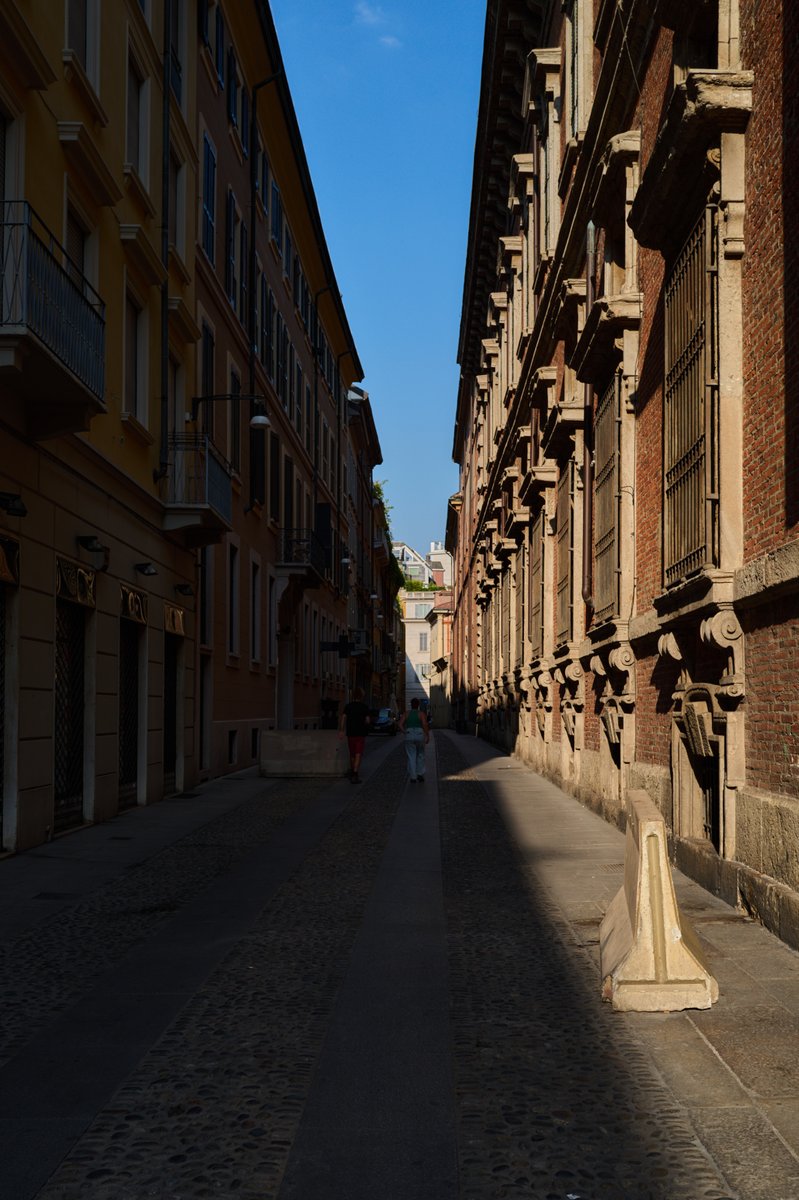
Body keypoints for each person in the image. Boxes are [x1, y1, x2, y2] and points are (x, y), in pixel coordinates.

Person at [338, 687, 371, 783]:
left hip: (350, 733)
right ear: (361, 696)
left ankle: (353, 771)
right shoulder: (364, 707)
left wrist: (341, 730)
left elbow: (343, 718)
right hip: (360, 733)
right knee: (358, 754)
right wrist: (366, 723)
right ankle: (355, 773)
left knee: (352, 754)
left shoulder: (348, 706)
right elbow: (368, 720)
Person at [399, 697, 429, 783]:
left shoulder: (406, 713)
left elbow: (400, 724)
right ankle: (420, 774)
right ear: (418, 705)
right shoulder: (421, 714)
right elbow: (424, 724)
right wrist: (427, 735)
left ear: (411, 705)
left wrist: (405, 732)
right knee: (420, 754)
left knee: (411, 756)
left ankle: (413, 777)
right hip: (419, 734)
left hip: (409, 734)